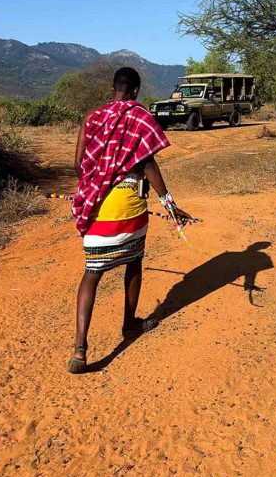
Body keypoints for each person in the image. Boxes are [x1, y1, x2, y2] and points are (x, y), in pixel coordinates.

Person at [68, 67, 192, 374]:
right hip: (128, 203)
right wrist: (170, 204)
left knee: (92, 272)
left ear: (112, 88)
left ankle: (80, 350)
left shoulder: (91, 116)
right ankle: (129, 323)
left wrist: (98, 184)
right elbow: (148, 164)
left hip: (98, 205)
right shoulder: (139, 117)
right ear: (135, 90)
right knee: (133, 261)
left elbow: (77, 165)